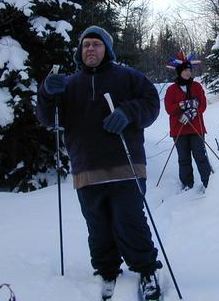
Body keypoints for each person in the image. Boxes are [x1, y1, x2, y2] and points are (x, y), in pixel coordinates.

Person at [36, 25, 162, 301]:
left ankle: (147, 269)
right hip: (86, 168)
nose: (90, 49)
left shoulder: (127, 77)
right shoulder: (68, 84)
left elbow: (152, 103)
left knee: (129, 221)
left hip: (125, 166)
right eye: (85, 45)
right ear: (80, 52)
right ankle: (107, 271)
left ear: (107, 49)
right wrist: (46, 93)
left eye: (96, 43)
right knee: (98, 226)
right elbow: (48, 118)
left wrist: (128, 112)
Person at [164, 53, 212, 192]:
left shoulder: (196, 86)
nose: (188, 72)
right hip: (179, 129)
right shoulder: (171, 89)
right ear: (179, 71)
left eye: (190, 70)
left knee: (200, 157)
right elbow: (169, 108)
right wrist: (183, 105)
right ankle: (187, 184)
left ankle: (208, 183)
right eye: (185, 70)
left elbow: (202, 104)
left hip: (196, 128)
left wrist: (193, 112)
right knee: (184, 159)